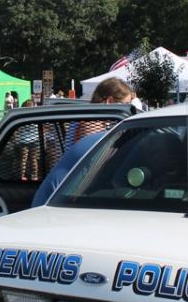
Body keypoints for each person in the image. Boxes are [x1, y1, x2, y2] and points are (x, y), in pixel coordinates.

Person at [31, 78, 134, 208]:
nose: (129, 109)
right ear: (110, 101)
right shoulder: (92, 124)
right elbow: (92, 165)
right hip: (56, 199)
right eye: (126, 104)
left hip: (63, 194)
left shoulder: (89, 118)